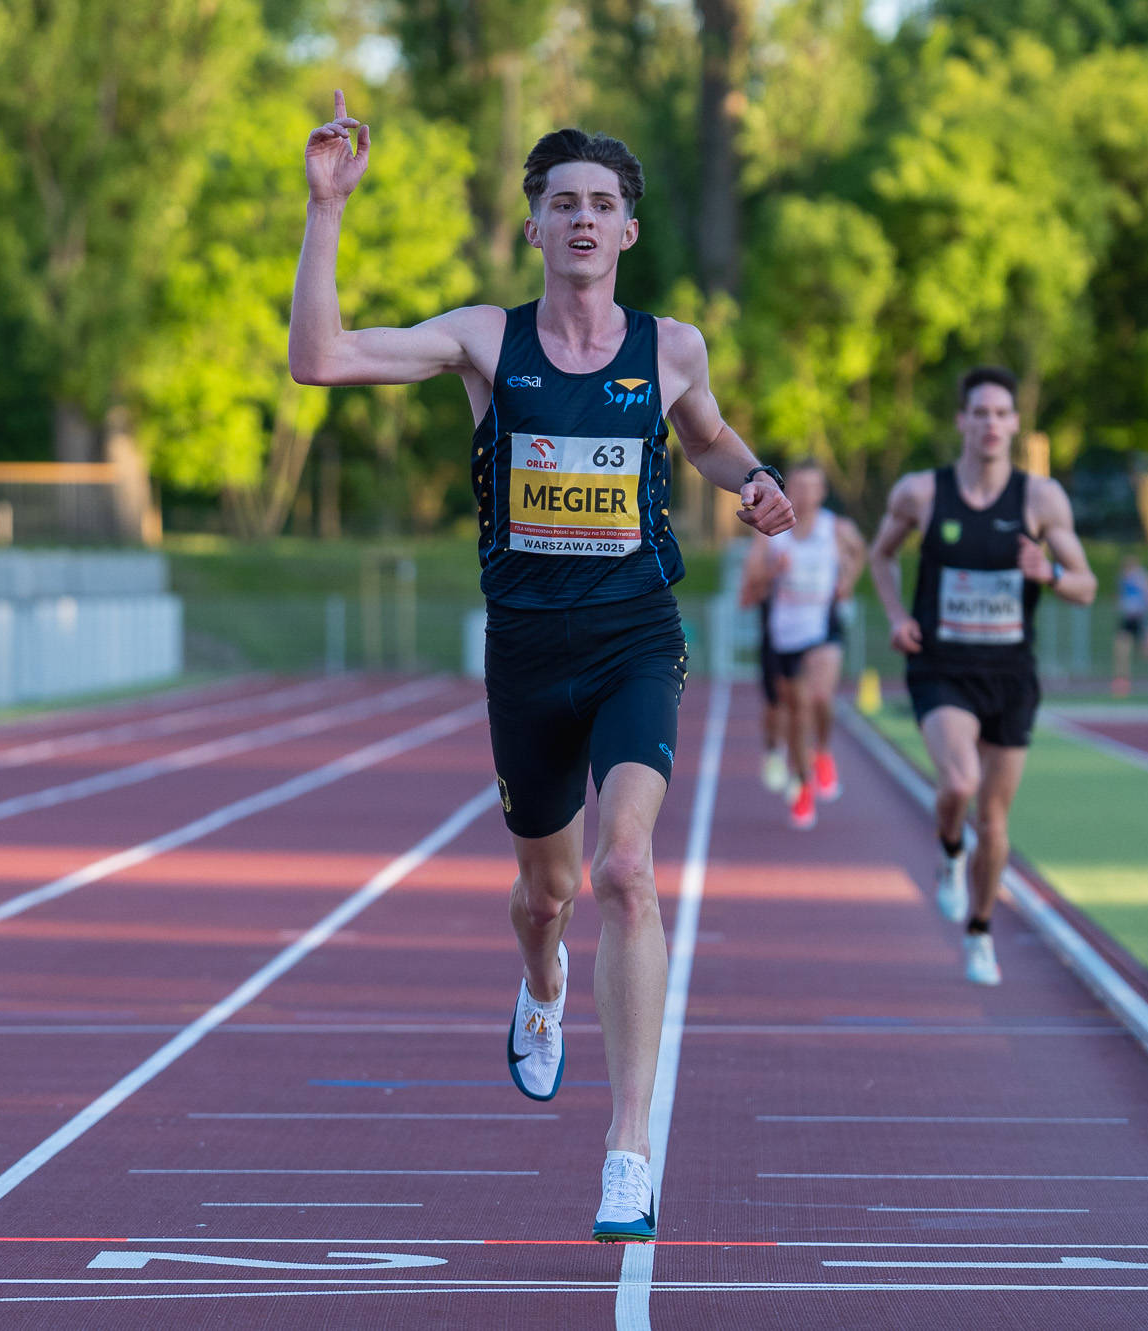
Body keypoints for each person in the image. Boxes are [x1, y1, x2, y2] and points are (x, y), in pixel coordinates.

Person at [290, 94, 793, 1241]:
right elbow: (318, 359)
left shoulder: (671, 347)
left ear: (626, 231)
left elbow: (706, 436)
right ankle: (543, 982)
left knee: (626, 870)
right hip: (523, 653)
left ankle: (628, 1147)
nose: (579, 219)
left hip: (633, 639)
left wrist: (754, 480)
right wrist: (326, 211)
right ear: (533, 228)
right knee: (544, 893)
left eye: (600, 204)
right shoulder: (483, 339)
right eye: (559, 202)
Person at [869, 366, 1096, 985]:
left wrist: (1047, 572)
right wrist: (895, 616)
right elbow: (879, 554)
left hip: (1011, 676)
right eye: (981, 413)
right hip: (942, 668)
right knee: (960, 781)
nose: (991, 424)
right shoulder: (921, 493)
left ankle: (980, 930)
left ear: (1016, 424)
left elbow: (1086, 586)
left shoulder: (1041, 500)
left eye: (1002, 413)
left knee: (995, 820)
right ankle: (947, 853)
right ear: (962, 422)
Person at [739, 459, 866, 828]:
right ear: (786, 490)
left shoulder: (837, 528)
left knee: (820, 697)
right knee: (796, 714)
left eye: (813, 487)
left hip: (823, 627)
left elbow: (860, 553)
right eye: (799, 487)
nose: (806, 495)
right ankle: (802, 781)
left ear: (823, 492)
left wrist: (847, 582)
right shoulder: (769, 532)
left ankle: (823, 753)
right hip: (785, 632)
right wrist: (773, 572)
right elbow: (750, 581)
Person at [741, 549, 791, 795]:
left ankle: (802, 764)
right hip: (772, 639)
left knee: (802, 700)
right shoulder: (763, 550)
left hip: (805, 639)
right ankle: (774, 751)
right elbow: (746, 598)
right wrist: (774, 572)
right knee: (775, 702)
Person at [1110, 553, 1148, 698]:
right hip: (1128, 619)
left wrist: (1147, 596)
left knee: (1146, 653)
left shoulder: (1144, 578)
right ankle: (1122, 680)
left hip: (1142, 618)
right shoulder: (1122, 579)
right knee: (1121, 647)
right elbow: (1120, 597)